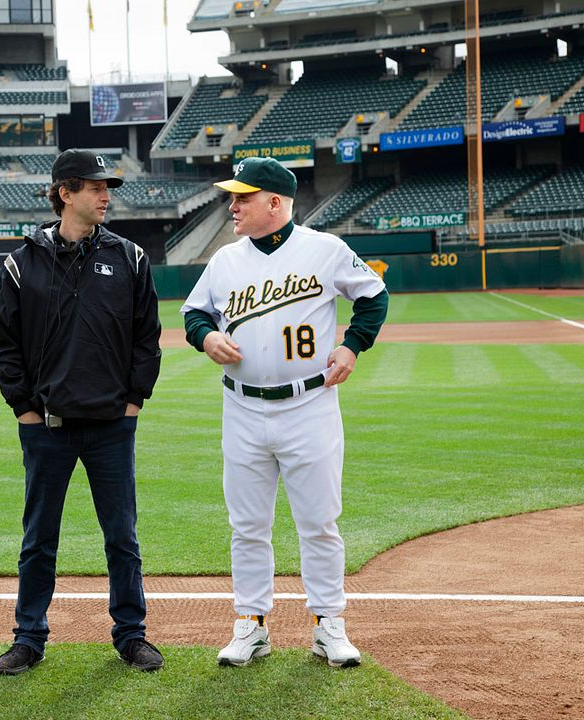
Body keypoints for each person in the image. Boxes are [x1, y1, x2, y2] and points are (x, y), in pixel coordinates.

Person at [180, 157, 388, 669]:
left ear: (275, 202)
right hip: (242, 407)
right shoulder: (225, 260)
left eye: (242, 197)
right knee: (247, 525)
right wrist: (206, 336)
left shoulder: (325, 249)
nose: (233, 205)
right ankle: (250, 624)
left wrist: (353, 346)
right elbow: (193, 312)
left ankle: (328, 625)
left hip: (310, 405)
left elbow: (374, 297)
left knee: (318, 522)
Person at [0, 149, 164, 676]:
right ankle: (29, 636)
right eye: (94, 187)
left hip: (112, 425)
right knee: (39, 537)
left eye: (107, 187)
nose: (106, 195)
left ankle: (131, 634)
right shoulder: (22, 262)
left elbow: (147, 340)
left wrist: (133, 403)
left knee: (122, 536)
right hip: (47, 427)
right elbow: (5, 344)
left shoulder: (130, 258)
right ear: (65, 193)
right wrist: (24, 409)